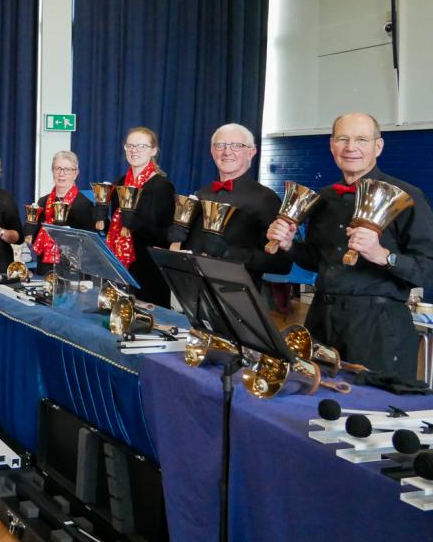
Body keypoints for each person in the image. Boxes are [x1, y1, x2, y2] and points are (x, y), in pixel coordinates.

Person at [267, 112, 433, 379]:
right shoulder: (324, 198)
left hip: (378, 326)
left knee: (370, 411)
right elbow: (315, 260)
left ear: (377, 146)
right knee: (315, 401)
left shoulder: (409, 197)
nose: (350, 147)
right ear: (332, 145)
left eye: (361, 139)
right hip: (321, 318)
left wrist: (383, 255)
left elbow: (429, 269)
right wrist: (289, 245)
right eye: (343, 139)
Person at [167, 123, 290, 285]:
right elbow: (191, 247)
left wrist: (227, 253)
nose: (227, 152)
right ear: (212, 151)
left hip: (236, 295)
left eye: (237, 146)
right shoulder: (202, 194)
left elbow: (282, 264)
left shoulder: (266, 199)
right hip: (193, 289)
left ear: (251, 152)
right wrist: (177, 239)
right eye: (220, 145)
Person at [104, 126, 175, 307]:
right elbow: (115, 226)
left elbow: (165, 237)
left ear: (153, 151)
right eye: (130, 146)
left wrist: (134, 224)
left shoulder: (161, 186)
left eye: (141, 146)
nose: (134, 150)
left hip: (147, 271)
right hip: (121, 267)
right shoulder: (120, 183)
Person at [25, 150, 93, 274]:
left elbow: (90, 245)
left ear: (76, 173)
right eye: (57, 168)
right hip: (45, 266)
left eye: (67, 170)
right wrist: (29, 230)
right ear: (53, 171)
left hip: (72, 269)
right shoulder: (43, 201)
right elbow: (35, 238)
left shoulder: (84, 204)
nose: (61, 174)